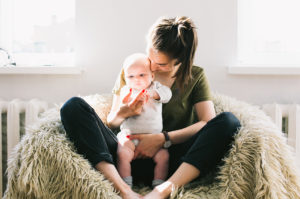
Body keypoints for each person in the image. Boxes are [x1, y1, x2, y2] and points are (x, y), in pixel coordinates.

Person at [60, 16, 241, 199]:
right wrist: (124, 112)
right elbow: (112, 123)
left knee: (229, 121)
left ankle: (162, 191)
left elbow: (206, 122)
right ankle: (122, 189)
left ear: (180, 61)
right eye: (150, 56)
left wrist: (163, 139)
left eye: (161, 64)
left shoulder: (196, 76)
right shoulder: (134, 68)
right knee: (72, 107)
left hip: (169, 161)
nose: (152, 66)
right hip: (125, 154)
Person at [116, 53, 172, 188]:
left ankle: (158, 184)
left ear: (152, 76)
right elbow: (123, 102)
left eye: (142, 75)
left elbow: (167, 94)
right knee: (122, 153)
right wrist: (130, 99)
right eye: (131, 76)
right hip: (130, 136)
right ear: (125, 78)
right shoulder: (127, 90)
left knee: (164, 157)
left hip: (154, 138)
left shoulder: (156, 88)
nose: (137, 80)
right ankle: (125, 183)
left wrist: (154, 94)